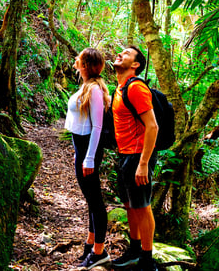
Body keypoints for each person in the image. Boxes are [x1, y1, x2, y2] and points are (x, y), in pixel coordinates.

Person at [111, 45, 159, 271]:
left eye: (126, 54)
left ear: (136, 65)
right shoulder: (119, 88)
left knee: (143, 206)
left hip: (138, 156)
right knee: (130, 205)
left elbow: (153, 127)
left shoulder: (136, 88)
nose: (120, 54)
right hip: (125, 155)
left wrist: (143, 164)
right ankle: (134, 249)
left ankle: (147, 261)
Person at [63, 47, 113, 270]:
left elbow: (97, 126)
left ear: (85, 65)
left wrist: (89, 158)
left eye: (80, 58)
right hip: (81, 148)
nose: (76, 60)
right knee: (90, 199)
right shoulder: (86, 85)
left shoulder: (93, 89)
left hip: (88, 149)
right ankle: (91, 242)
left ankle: (99, 252)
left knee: (95, 201)